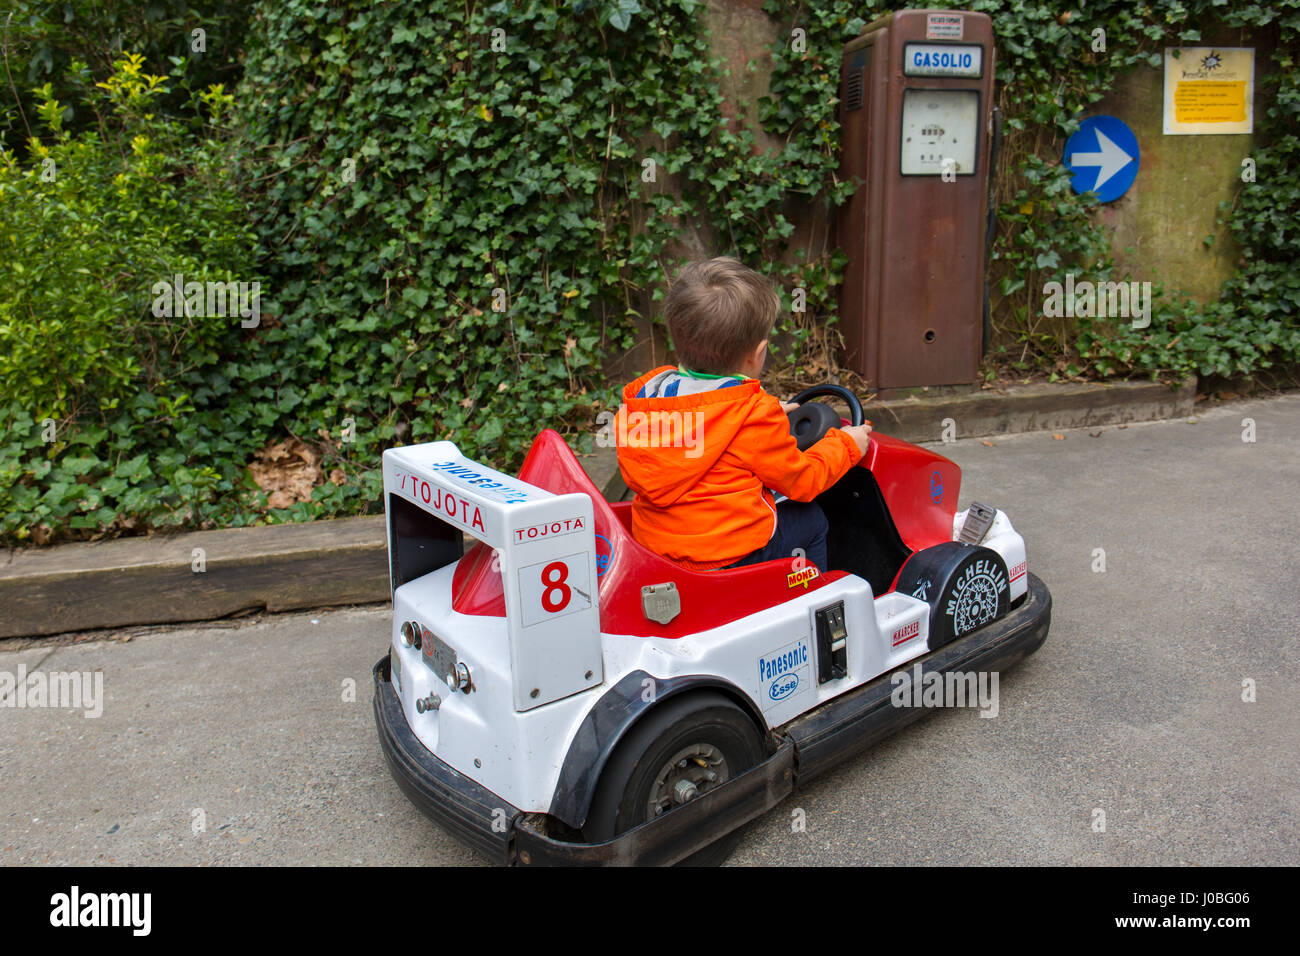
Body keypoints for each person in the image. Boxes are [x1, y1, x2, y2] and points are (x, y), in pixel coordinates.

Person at [615, 257, 872, 574]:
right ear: (758, 352)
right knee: (812, 518)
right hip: (728, 558)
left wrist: (766, 416)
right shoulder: (752, 414)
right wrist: (846, 444)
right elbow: (803, 482)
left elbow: (700, 425)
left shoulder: (648, 397)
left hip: (657, 549)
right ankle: (812, 602)